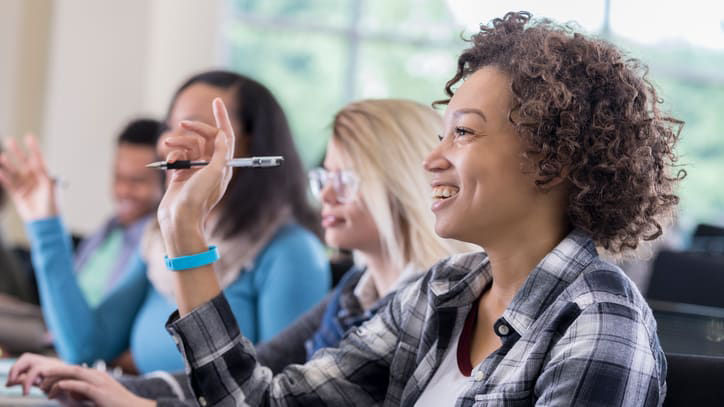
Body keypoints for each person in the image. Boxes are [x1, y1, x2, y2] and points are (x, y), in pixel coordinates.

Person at [14, 11, 683, 406]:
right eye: (440, 130)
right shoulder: (440, 293)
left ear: (554, 159)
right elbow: (260, 401)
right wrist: (183, 227)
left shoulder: (601, 329)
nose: (431, 158)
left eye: (466, 131)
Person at [5, 98, 475, 406]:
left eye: (345, 180)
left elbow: (249, 393)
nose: (326, 196)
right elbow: (247, 375)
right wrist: (104, 387)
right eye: (323, 178)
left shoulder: (412, 300)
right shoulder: (354, 290)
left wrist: (135, 401)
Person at [0, 70, 330, 374]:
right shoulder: (158, 239)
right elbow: (84, 346)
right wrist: (44, 221)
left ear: (248, 144)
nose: (167, 143)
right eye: (169, 126)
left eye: (192, 126)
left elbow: (274, 390)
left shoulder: (293, 252)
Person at [0, 119, 163, 356]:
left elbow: (87, 344)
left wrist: (45, 225)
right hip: (55, 324)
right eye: (118, 178)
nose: (123, 191)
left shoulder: (153, 242)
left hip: (71, 339)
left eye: (137, 181)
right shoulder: (107, 231)